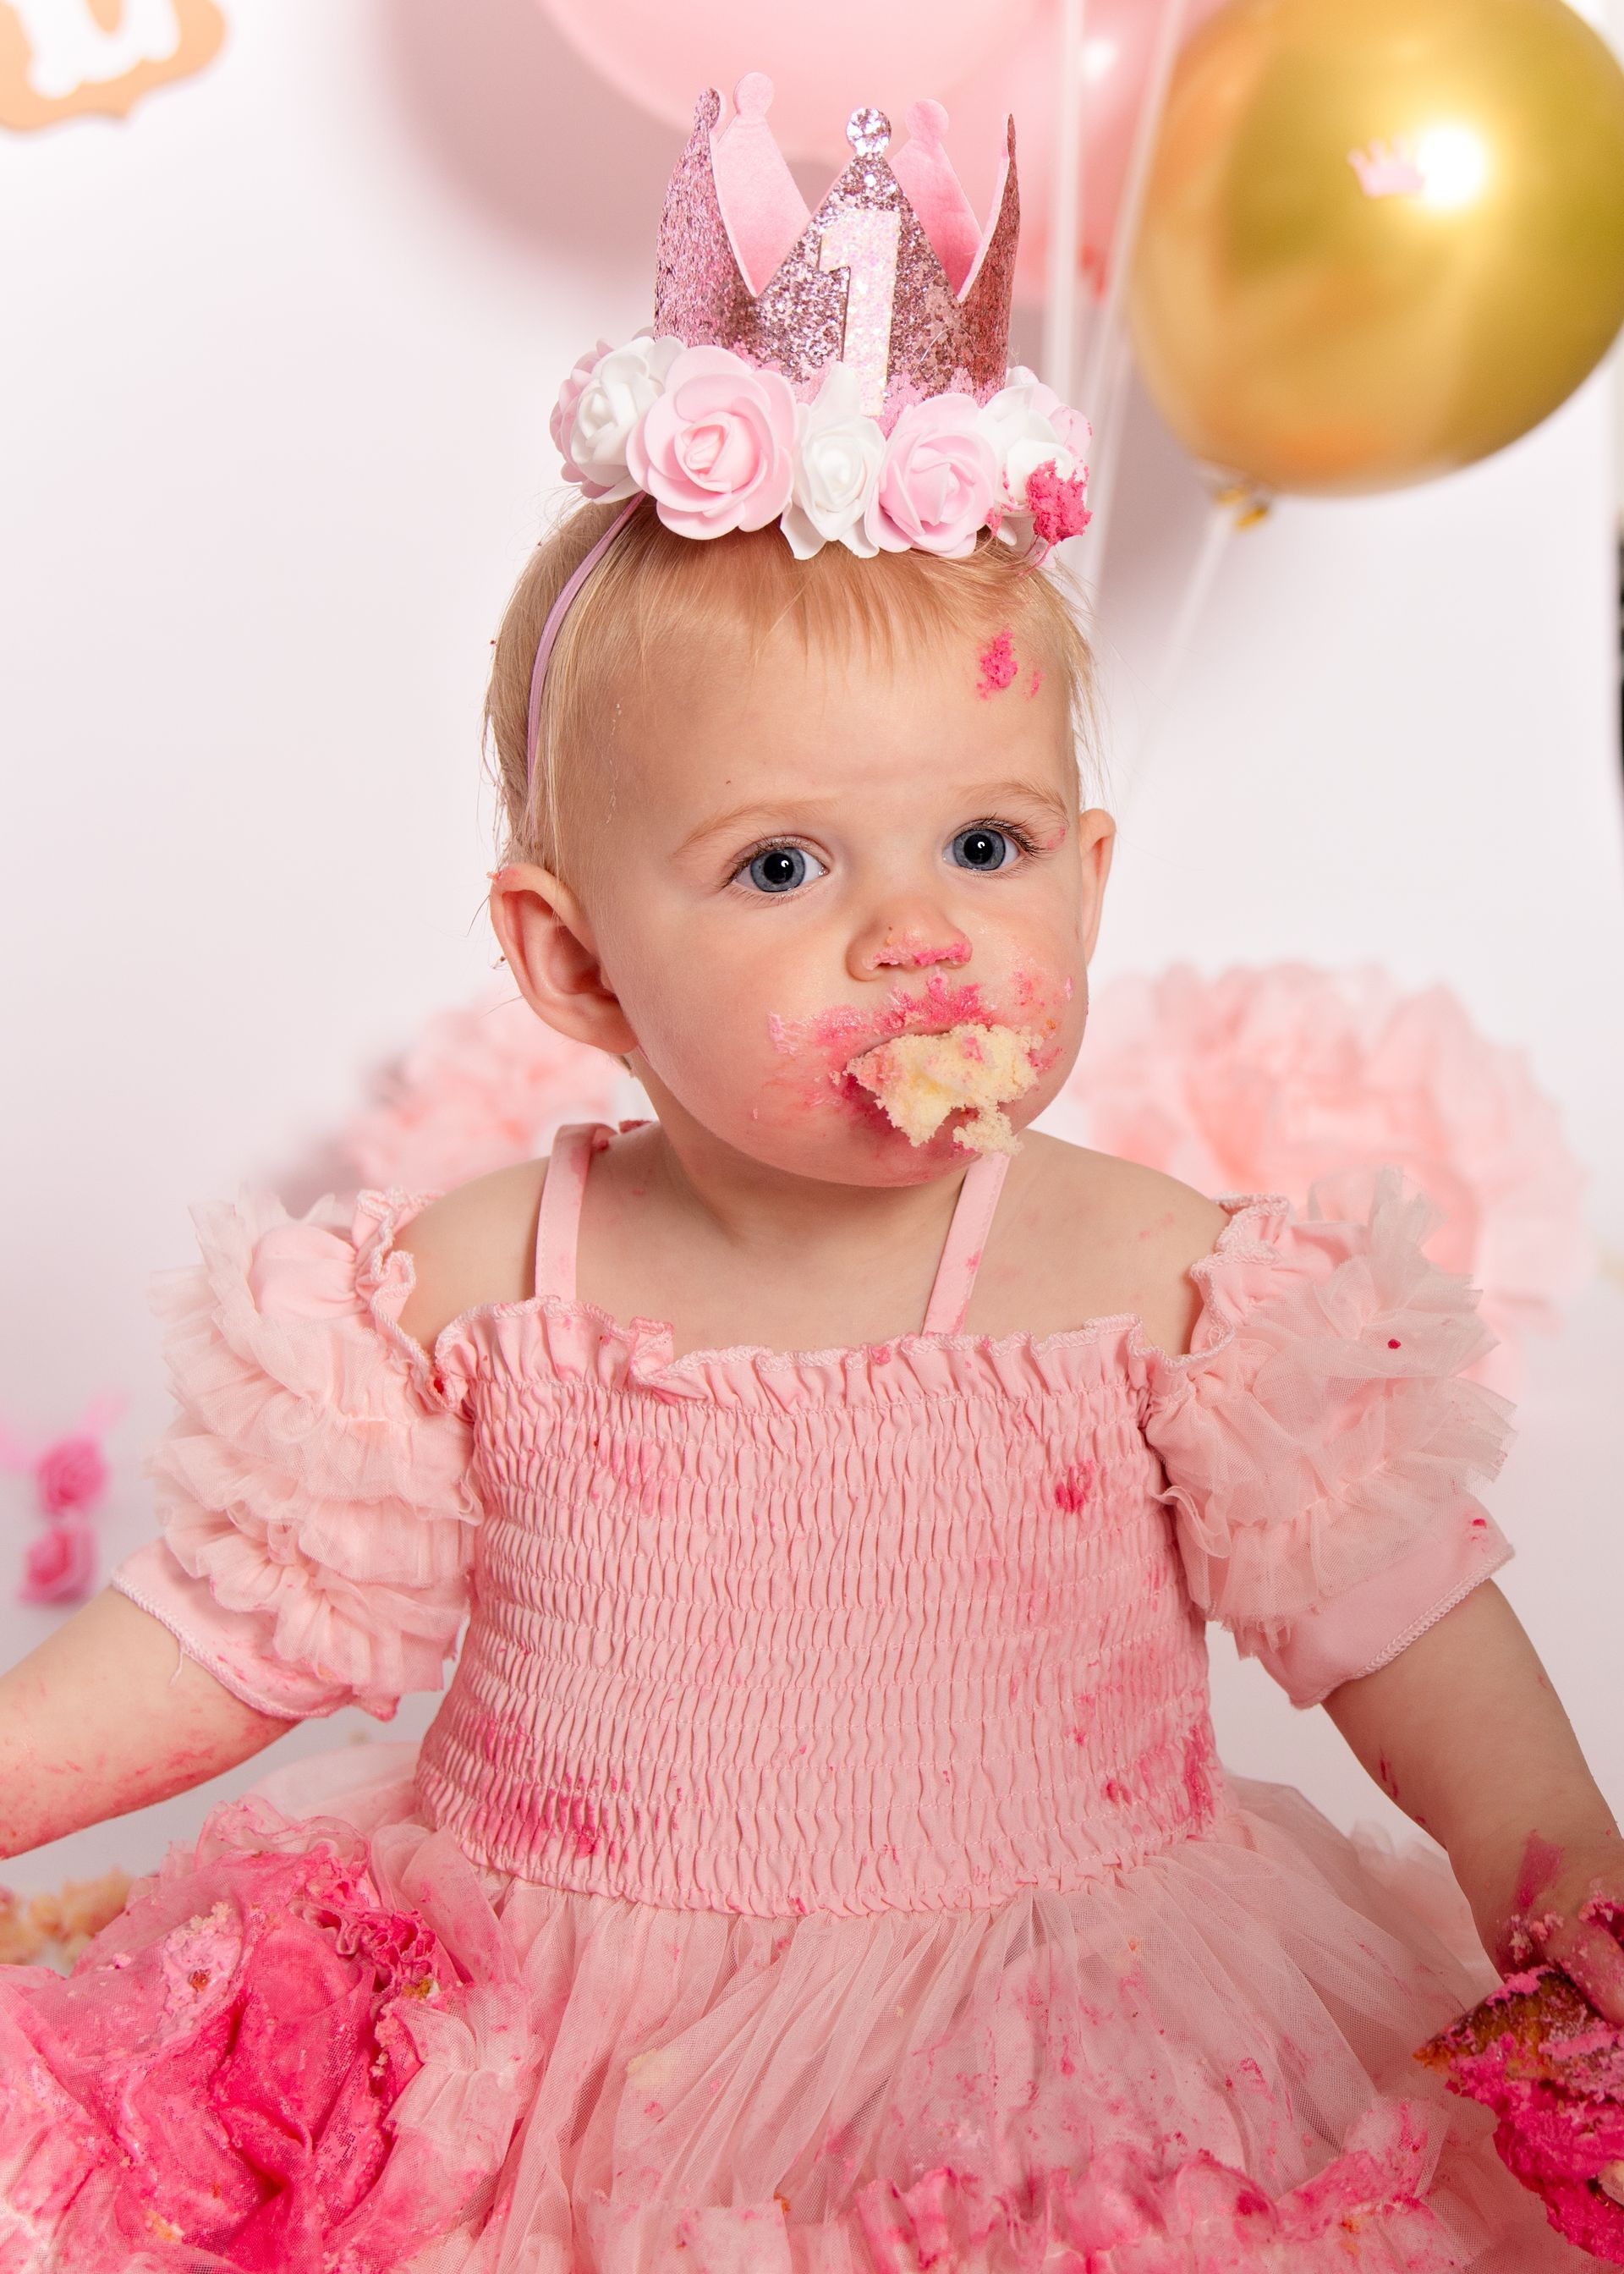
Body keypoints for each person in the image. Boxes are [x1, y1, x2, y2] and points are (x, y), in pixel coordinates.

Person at [0, 74, 1619, 2274]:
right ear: (572, 962)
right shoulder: (489, 1283)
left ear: (1091, 874)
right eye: (780, 864)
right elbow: (234, 1636)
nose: (918, 931)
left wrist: (1576, 1915)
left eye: (988, 844)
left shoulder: (1157, 1284)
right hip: (548, 2059)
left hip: (1058, 2052)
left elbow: (1420, 1643)